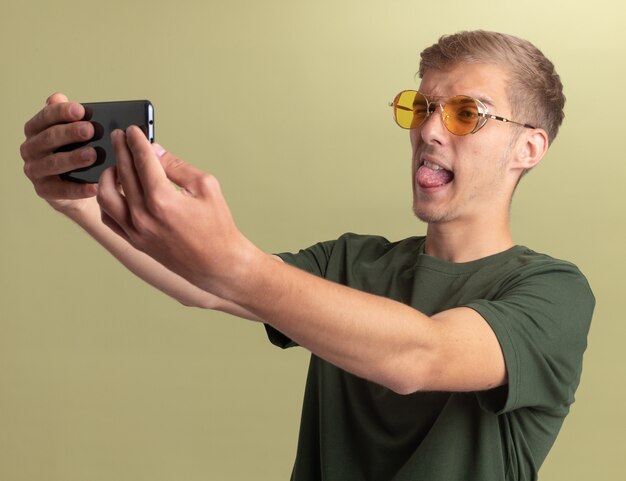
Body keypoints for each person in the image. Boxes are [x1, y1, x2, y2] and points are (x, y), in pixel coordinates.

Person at [20, 30, 594, 480]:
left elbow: (420, 357)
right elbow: (203, 283)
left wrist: (235, 263)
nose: (429, 130)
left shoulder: (554, 292)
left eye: (466, 113)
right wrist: (81, 202)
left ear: (528, 147)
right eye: (420, 109)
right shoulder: (351, 262)